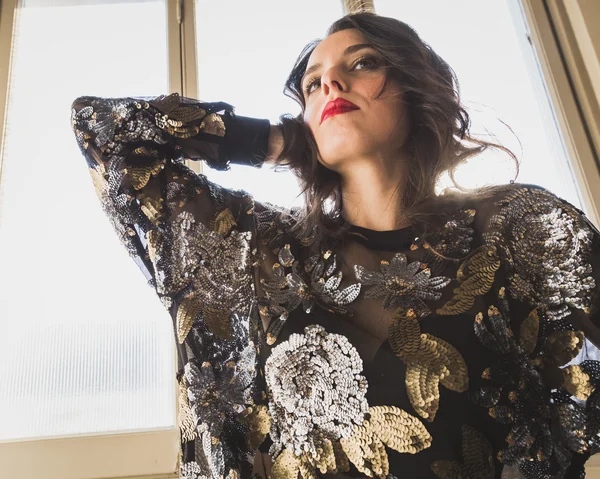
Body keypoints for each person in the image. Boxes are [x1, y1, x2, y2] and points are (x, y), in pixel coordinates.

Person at [70, 11, 600, 479]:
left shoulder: (509, 224)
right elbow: (99, 128)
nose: (331, 85)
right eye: (312, 84)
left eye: (363, 63)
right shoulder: (257, 249)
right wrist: (272, 141)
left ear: (417, 87)